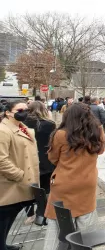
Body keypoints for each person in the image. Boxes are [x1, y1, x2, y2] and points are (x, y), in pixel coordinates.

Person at [43, 104, 105, 250]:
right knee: (86, 220)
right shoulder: (97, 132)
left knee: (59, 223)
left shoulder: (60, 134)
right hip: (87, 181)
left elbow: (52, 158)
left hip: (64, 183)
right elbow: (101, 151)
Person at [0, 99, 39, 250]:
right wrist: (19, 175)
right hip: (10, 184)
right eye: (20, 111)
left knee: (9, 219)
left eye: (26, 110)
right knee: (3, 219)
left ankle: (3, 244)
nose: (24, 113)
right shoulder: (3, 131)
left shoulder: (23, 128)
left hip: (19, 184)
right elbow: (1, 159)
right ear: (8, 113)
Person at [23, 102, 56, 194]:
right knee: (46, 187)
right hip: (45, 158)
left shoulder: (22, 124)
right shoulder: (50, 124)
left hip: (27, 157)